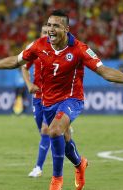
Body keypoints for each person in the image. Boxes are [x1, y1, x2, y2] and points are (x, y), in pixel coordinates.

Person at [0, 10, 123, 190]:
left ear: (66, 29)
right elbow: (16, 61)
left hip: (72, 99)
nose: (50, 29)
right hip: (47, 101)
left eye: (56, 26)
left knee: (54, 130)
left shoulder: (80, 49)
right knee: (64, 141)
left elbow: (104, 72)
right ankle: (79, 164)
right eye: (49, 25)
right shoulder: (39, 45)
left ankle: (56, 180)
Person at [22, 24, 73, 178]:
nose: (47, 35)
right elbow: (24, 67)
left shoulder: (61, 49)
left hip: (55, 98)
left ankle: (39, 167)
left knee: (46, 130)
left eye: (49, 32)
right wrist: (29, 84)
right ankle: (66, 131)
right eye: (44, 32)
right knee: (45, 132)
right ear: (40, 33)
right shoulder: (35, 48)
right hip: (38, 97)